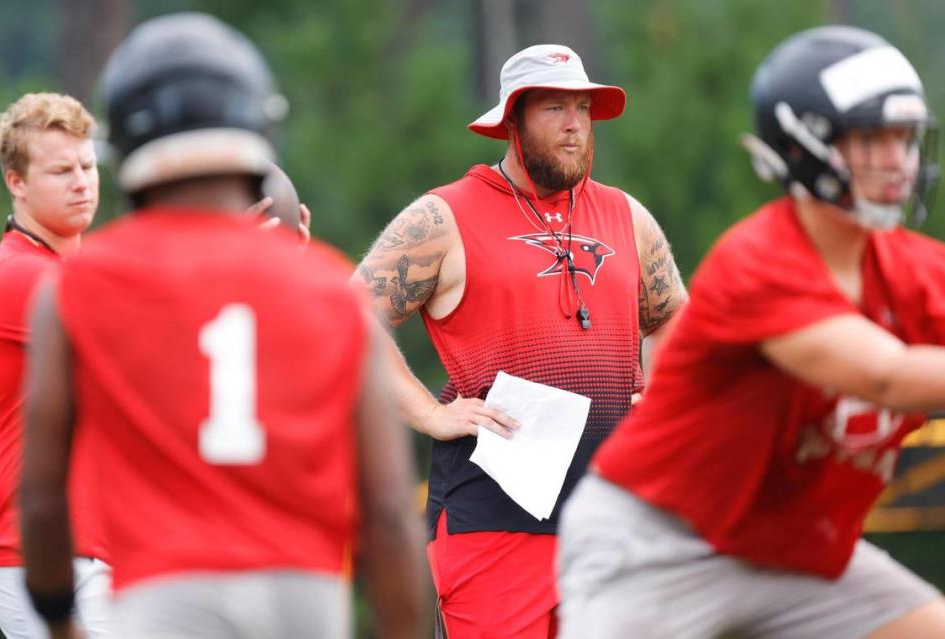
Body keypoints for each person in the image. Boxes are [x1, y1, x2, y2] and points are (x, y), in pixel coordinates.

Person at [18, 12, 426, 639]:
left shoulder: (83, 283)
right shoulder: (328, 286)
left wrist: (59, 620)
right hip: (304, 594)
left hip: (163, 593)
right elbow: (391, 511)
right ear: (258, 125)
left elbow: (43, 494)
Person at [558, 25, 945, 639]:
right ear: (802, 147)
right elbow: (887, 376)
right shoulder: (760, 262)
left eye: (903, 138)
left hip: (793, 550)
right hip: (661, 544)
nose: (898, 160)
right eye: (872, 138)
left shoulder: (910, 268)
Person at [353, 43, 686, 638]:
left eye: (583, 108)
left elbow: (673, 319)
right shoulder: (444, 216)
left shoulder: (626, 216)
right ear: (512, 120)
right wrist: (430, 413)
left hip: (615, 518)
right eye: (555, 108)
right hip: (494, 521)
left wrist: (663, 393)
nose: (574, 125)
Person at [0, 92, 111, 638]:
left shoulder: (88, 272)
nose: (82, 182)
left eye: (87, 165)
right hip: (24, 548)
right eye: (61, 170)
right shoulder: (17, 276)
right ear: (16, 182)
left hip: (93, 540)